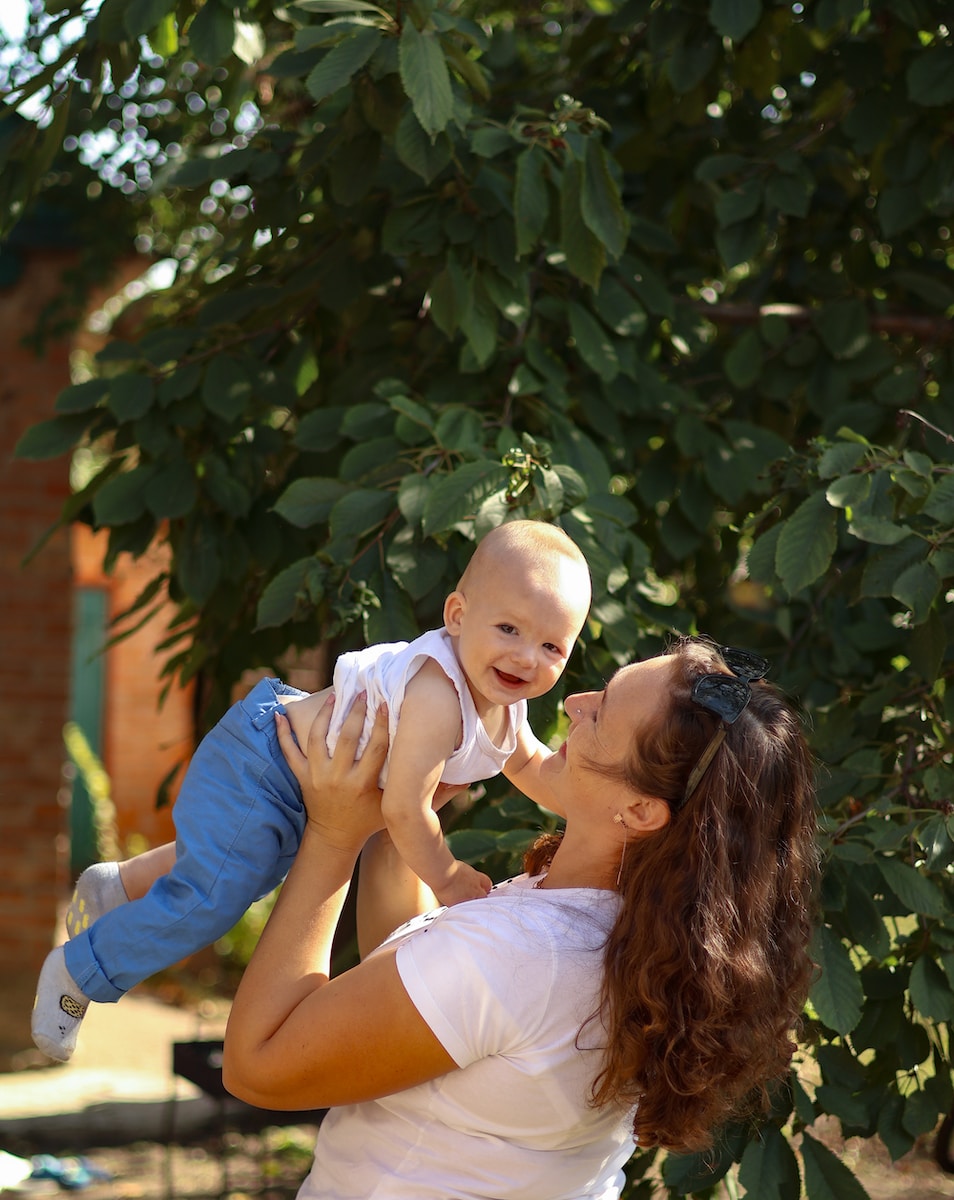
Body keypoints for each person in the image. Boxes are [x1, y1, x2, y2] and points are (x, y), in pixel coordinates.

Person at [221, 636, 820, 1200]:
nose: (575, 703)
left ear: (639, 810)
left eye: (603, 710)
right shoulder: (638, 941)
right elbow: (415, 1008)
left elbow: (258, 1068)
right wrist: (399, 827)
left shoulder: (524, 953)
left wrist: (332, 836)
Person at [31, 520, 593, 1063]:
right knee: (212, 900)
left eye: (552, 646)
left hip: (301, 778)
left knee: (237, 869)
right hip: (266, 761)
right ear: (457, 615)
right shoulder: (438, 695)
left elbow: (536, 768)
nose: (526, 657)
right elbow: (403, 809)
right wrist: (446, 877)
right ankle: (78, 971)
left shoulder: (505, 706)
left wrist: (595, 806)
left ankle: (120, 884)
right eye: (509, 630)